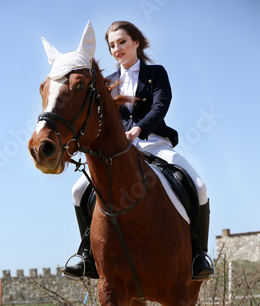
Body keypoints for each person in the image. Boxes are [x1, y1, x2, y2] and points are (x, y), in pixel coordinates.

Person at [62, 20, 214, 281]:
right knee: (78, 190)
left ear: (136, 42)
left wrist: (138, 130)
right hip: (118, 152)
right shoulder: (106, 81)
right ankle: (86, 255)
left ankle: (199, 255)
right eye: (111, 45)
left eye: (122, 42)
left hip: (154, 143)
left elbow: (161, 105)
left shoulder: (156, 73)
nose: (117, 49)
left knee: (199, 186)